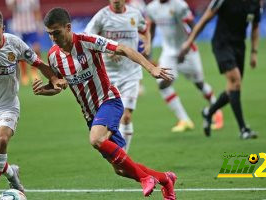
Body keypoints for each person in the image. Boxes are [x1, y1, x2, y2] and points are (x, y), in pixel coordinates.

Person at [33, 7, 177, 199]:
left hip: (109, 101)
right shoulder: (53, 56)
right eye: (49, 34)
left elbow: (123, 48)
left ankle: (145, 179)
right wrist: (46, 90)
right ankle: (165, 179)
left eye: (56, 33)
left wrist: (151, 68)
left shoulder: (87, 41)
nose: (53, 38)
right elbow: (60, 85)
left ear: (68, 27)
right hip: (90, 115)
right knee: (121, 170)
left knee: (96, 139)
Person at [0, 9, 64, 200]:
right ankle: (12, 173)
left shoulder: (14, 43)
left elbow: (39, 63)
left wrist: (54, 79)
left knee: (1, 141)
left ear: (3, 28)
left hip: (7, 105)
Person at [179, 0, 261, 139]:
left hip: (239, 46)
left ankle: (209, 112)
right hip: (222, 44)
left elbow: (255, 27)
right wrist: (189, 42)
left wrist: (254, 52)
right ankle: (243, 129)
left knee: (233, 88)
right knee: (235, 82)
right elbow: (204, 20)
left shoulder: (255, 3)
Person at [146, 0, 224, 132]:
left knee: (199, 83)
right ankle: (184, 120)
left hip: (187, 51)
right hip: (169, 53)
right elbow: (151, 30)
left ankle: (216, 110)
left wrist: (187, 47)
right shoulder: (151, 8)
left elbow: (194, 27)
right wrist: (149, 51)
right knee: (162, 84)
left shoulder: (179, 5)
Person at [84, 0, 151, 153]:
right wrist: (107, 51)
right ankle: (117, 152)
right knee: (111, 121)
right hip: (108, 76)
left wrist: (148, 43)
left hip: (131, 74)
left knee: (126, 117)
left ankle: (123, 155)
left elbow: (145, 29)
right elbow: (87, 40)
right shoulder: (101, 16)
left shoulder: (134, 14)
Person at [5, 0, 43, 85]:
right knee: (20, 52)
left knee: (36, 48)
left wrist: (40, 25)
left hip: (31, 27)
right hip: (19, 29)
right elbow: (10, 7)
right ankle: (24, 74)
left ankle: (34, 71)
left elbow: (36, 10)